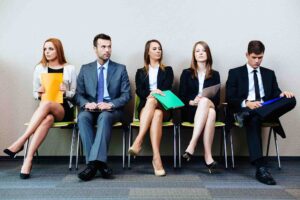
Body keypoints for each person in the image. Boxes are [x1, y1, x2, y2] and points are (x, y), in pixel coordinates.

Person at [3, 38, 77, 179]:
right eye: (45, 49)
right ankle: (28, 160)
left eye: (51, 49)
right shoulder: (39, 68)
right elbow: (34, 93)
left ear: (58, 50)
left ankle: (21, 141)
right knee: (47, 119)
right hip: (45, 110)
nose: (47, 52)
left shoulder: (70, 68)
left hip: (63, 109)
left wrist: (66, 91)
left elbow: (75, 94)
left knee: (48, 104)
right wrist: (39, 92)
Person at [226, 40, 296, 185]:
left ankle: (251, 114)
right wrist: (247, 103)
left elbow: (276, 93)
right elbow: (230, 97)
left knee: (291, 99)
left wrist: (283, 94)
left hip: (265, 108)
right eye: (254, 57)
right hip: (247, 107)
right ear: (247, 55)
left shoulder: (269, 73)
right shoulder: (235, 73)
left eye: (260, 58)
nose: (257, 61)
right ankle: (260, 168)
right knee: (254, 120)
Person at [76, 33, 131, 181]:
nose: (107, 50)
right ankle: (99, 164)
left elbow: (126, 95)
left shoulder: (120, 69)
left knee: (105, 116)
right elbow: (78, 94)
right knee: (82, 117)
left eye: (109, 46)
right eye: (103, 46)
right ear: (95, 49)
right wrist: (86, 104)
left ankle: (91, 165)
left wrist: (111, 104)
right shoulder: (85, 69)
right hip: (91, 108)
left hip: (112, 111)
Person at [128, 39, 174, 176]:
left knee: (155, 102)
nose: (158, 50)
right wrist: (151, 93)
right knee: (156, 114)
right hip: (147, 108)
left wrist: (154, 94)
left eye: (159, 48)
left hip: (164, 106)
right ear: (148, 52)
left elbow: (167, 89)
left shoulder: (168, 70)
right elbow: (139, 91)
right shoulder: (140, 72)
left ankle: (138, 140)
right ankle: (156, 157)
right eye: (154, 48)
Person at [179, 41, 220, 173]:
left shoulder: (215, 74)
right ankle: (208, 157)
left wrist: (204, 100)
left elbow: (217, 99)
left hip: (210, 105)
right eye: (197, 51)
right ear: (194, 55)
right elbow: (181, 97)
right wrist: (192, 102)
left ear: (208, 54)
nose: (201, 53)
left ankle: (192, 144)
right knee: (211, 113)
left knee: (206, 102)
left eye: (203, 50)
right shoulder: (186, 73)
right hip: (191, 111)